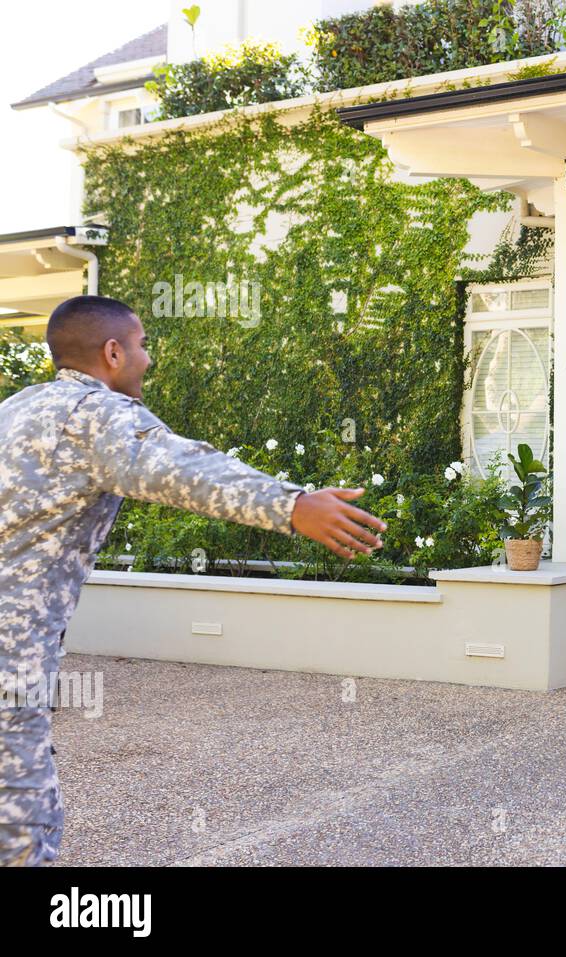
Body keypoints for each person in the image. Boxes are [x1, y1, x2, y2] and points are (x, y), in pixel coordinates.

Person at [0, 295, 387, 866]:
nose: (148, 360)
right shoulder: (94, 416)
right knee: (20, 816)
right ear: (112, 352)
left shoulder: (16, 409)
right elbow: (185, 470)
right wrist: (292, 505)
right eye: (141, 345)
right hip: (11, 659)